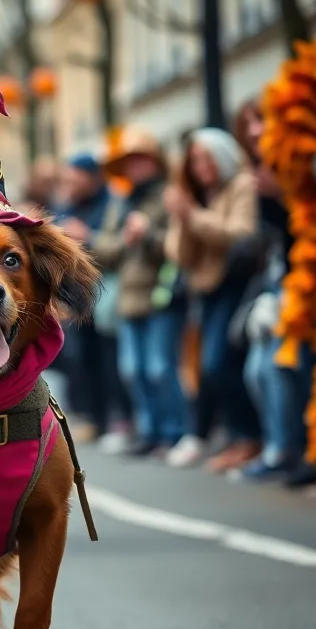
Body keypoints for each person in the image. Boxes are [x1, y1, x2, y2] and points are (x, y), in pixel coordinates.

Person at [163, 128, 262, 471]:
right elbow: (178, 253)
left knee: (219, 363)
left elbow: (241, 234)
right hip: (203, 290)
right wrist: (184, 218)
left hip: (236, 285)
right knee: (206, 368)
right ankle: (237, 437)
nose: (201, 167)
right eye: (194, 161)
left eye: (207, 158)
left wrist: (192, 216)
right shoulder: (195, 196)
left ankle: (249, 437)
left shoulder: (242, 185)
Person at [233, 100, 316, 485]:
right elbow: (266, 244)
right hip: (285, 288)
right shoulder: (260, 178)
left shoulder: (302, 163)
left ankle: (304, 453)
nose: (253, 132)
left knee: (284, 366)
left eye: (260, 121)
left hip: (315, 285)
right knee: (260, 368)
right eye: (248, 124)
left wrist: (277, 194)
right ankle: (280, 448)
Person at [98, 129, 188, 457]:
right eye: (130, 161)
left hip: (161, 296)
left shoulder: (169, 195)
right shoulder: (120, 203)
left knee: (160, 368)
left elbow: (179, 245)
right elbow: (102, 249)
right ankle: (149, 430)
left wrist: (149, 235)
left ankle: (175, 432)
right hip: (128, 299)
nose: (135, 167)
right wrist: (126, 238)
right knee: (132, 370)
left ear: (154, 160)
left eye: (141, 159)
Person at [53, 153, 132, 451]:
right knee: (80, 358)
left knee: (111, 360)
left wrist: (87, 237)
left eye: (75, 179)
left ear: (92, 177)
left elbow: (117, 249)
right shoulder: (66, 208)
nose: (70, 185)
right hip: (77, 299)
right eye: (67, 179)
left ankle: (120, 420)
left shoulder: (112, 204)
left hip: (109, 296)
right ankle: (94, 418)